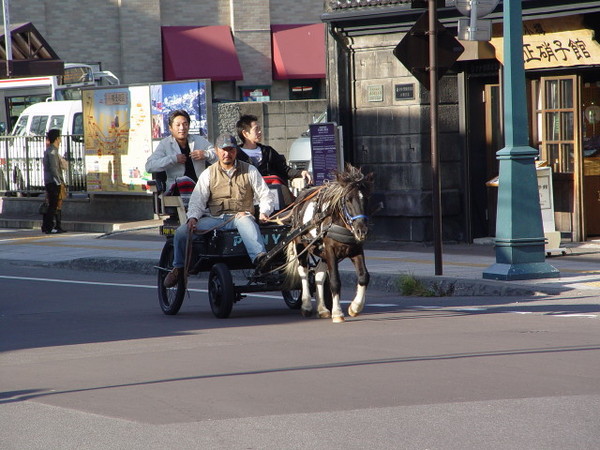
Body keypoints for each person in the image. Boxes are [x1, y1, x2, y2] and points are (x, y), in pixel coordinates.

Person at [163, 133, 274, 287]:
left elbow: (265, 195)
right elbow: (197, 200)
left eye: (230, 150)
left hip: (240, 217)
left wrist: (264, 212)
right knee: (182, 232)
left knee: (247, 222)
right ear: (216, 151)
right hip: (215, 219)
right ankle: (178, 267)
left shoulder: (250, 170)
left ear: (235, 151)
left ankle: (261, 260)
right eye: (223, 150)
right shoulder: (208, 173)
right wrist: (193, 218)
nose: (226, 153)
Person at [145, 109, 216, 189]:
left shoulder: (199, 140)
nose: (182, 128)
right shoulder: (165, 144)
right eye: (178, 125)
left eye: (185, 124)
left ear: (189, 126)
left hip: (199, 189)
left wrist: (206, 154)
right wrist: (173, 159)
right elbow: (149, 166)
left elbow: (218, 155)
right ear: (170, 128)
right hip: (176, 191)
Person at [235, 114, 312, 185]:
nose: (260, 132)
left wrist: (300, 173)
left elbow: (284, 170)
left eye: (260, 128)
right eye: (256, 129)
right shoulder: (236, 154)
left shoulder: (268, 151)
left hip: (271, 192)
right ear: (245, 133)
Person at [41, 129, 67, 234]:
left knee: (53, 204)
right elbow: (53, 168)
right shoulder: (52, 151)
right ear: (56, 139)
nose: (60, 140)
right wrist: (59, 182)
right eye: (59, 138)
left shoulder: (51, 150)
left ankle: (49, 226)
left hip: (50, 181)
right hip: (53, 182)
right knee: (53, 205)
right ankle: (48, 227)